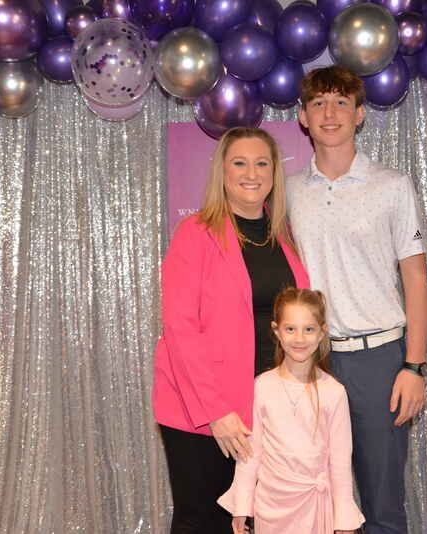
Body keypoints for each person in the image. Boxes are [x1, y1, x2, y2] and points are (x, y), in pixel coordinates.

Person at [286, 66, 427, 534]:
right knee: (311, 497)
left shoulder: (392, 185)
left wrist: (413, 367)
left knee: (382, 504)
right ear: (303, 117)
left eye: (341, 103)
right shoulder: (286, 192)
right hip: (311, 361)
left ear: (360, 114)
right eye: (318, 104)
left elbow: (416, 280)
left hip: (381, 361)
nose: (330, 114)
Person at [153, 127, 310, 533]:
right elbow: (180, 329)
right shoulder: (196, 234)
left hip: (267, 407)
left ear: (275, 173)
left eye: (262, 163)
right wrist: (216, 413)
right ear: (222, 172)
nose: (251, 173)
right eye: (239, 163)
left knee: (256, 521)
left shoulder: (286, 239)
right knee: (204, 520)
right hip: (204, 412)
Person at [218, 287, 365, 534]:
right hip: (271, 508)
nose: (299, 338)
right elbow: (250, 454)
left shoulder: (334, 392)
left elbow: (340, 465)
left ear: (322, 333)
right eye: (290, 329)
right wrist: (242, 505)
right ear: (276, 331)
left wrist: (344, 522)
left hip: (316, 508)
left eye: (308, 329)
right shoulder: (261, 386)